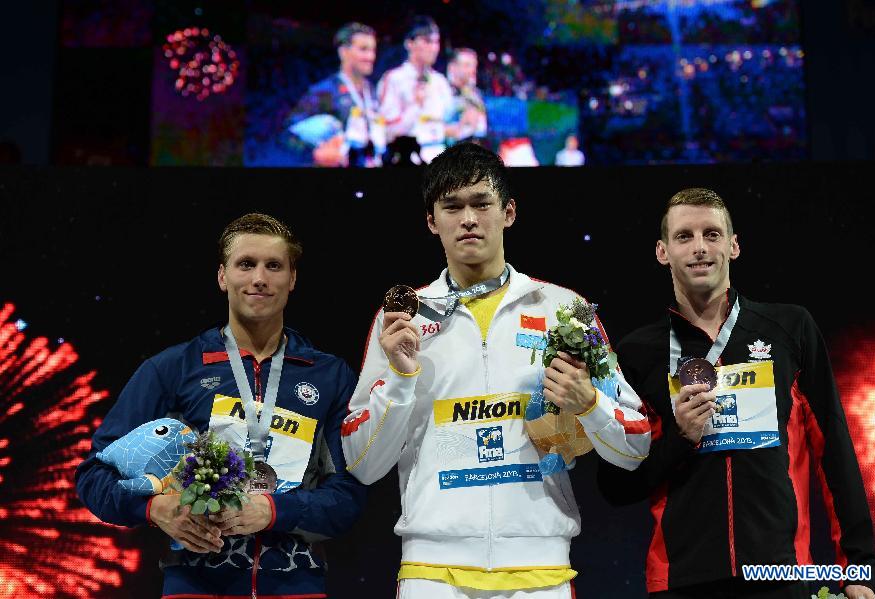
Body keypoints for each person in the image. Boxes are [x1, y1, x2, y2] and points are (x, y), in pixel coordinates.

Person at [341, 142, 651, 598]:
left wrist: (589, 404)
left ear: (508, 212)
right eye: (452, 206)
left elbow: (635, 445)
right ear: (432, 221)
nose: (468, 218)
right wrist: (401, 379)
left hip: (540, 570)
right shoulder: (402, 323)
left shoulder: (565, 310)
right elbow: (363, 464)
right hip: (432, 573)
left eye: (481, 204)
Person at [596, 188, 875, 599]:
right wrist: (679, 439)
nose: (700, 248)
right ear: (662, 252)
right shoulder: (639, 354)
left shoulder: (789, 329)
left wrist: (857, 566)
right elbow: (616, 487)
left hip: (779, 574)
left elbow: (833, 446)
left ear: (734, 244)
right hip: (680, 579)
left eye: (712, 234)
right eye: (684, 236)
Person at [76, 213, 366, 598]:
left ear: (292, 278)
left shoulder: (330, 375)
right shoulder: (172, 369)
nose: (259, 278)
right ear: (222, 276)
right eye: (246, 264)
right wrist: (155, 509)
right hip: (194, 585)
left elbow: (349, 494)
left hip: (296, 583)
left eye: (274, 266)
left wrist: (273, 511)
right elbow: (93, 475)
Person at [284, 22, 385, 167]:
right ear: (343, 52)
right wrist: (314, 154)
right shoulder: (325, 92)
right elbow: (287, 136)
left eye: (373, 50)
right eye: (363, 49)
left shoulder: (372, 91)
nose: (371, 56)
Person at [377, 16, 453, 164]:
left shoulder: (440, 82)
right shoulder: (394, 79)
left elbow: (448, 124)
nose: (434, 48)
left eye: (436, 42)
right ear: (409, 43)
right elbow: (389, 131)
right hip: (407, 159)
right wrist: (415, 105)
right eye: (427, 41)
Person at [445, 48, 487, 145]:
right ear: (452, 67)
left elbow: (481, 130)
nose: (472, 70)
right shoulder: (442, 93)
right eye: (467, 65)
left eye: (474, 66)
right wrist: (463, 123)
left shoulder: (476, 94)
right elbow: (431, 129)